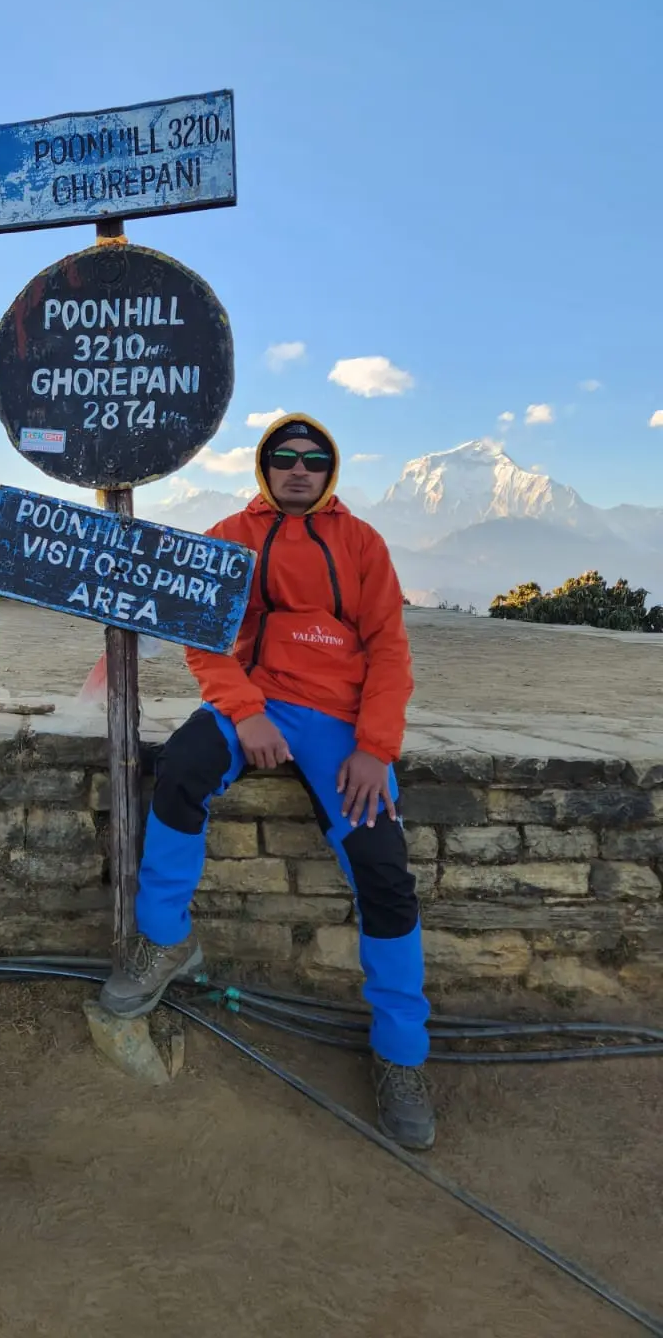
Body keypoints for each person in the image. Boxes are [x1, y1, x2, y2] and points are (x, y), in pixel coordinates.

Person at [100, 414, 435, 1150]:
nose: (298, 469)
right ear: (264, 466)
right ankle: (164, 941)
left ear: (330, 470)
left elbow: (389, 650)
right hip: (257, 702)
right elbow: (204, 637)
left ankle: (401, 1053)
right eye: (283, 457)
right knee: (182, 768)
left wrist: (376, 749)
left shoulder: (363, 545)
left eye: (314, 460)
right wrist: (246, 714)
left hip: (343, 724)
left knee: (383, 869)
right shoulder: (233, 533)